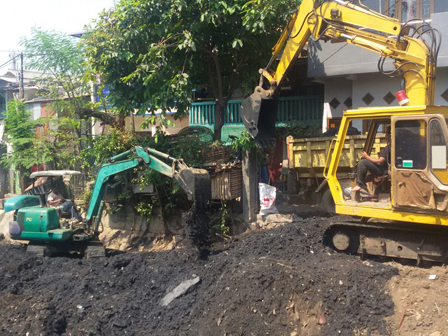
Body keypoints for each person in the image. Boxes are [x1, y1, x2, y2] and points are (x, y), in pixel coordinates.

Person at [352, 126, 391, 193]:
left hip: (385, 171)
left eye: (386, 134)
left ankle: (361, 184)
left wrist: (367, 157)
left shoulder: (388, 148)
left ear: (389, 136)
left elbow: (379, 162)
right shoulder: (395, 147)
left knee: (363, 162)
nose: (385, 136)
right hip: (387, 169)